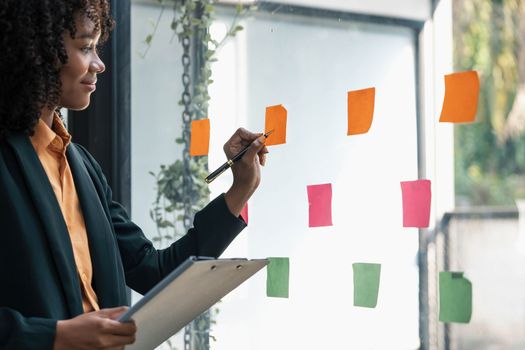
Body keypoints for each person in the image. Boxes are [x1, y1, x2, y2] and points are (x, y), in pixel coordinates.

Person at [0, 1, 268, 349]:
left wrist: (241, 189)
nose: (99, 63)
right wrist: (55, 336)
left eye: (97, 47)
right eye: (85, 47)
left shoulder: (82, 168)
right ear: (36, 49)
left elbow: (153, 270)